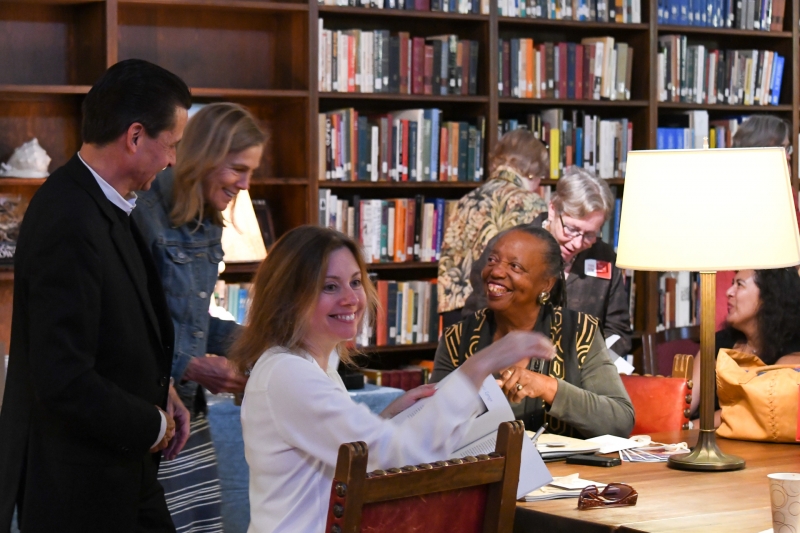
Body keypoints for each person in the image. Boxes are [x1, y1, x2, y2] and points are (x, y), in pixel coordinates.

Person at [230, 225, 553, 533]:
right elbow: (399, 456)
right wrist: (482, 364)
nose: (351, 299)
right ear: (289, 297)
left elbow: (338, 452)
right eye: (330, 286)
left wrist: (387, 417)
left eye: (355, 282)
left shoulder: (312, 365)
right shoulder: (289, 373)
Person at [0, 59, 192, 533]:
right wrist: (152, 425)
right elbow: (62, 376)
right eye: (171, 145)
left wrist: (159, 389)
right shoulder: (68, 216)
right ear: (134, 136)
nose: (172, 161)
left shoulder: (103, 203)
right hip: (81, 489)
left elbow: (111, 328)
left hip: (118, 475)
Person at [133, 102, 265, 531]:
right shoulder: (144, 212)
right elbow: (127, 326)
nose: (245, 185)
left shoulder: (209, 220)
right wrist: (187, 365)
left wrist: (269, 343)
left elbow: (193, 323)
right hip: (143, 412)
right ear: (206, 155)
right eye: (238, 169)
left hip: (188, 413)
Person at [432, 227, 634, 438]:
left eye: (515, 266)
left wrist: (547, 387)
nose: (496, 272)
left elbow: (620, 421)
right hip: (480, 468)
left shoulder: (579, 332)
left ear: (546, 284)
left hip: (563, 470)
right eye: (492, 260)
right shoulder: (458, 338)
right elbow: (430, 426)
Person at [464, 166, 631, 357]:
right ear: (553, 209)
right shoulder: (510, 246)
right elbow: (476, 320)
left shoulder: (603, 257)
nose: (577, 242)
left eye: (590, 234)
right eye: (571, 229)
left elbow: (619, 331)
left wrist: (591, 359)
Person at [438, 130, 548, 329]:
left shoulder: (467, 200)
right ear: (532, 171)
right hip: (494, 310)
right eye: (541, 175)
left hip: (454, 309)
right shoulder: (532, 205)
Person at [691, 268, 800, 427]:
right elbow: (686, 402)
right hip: (709, 444)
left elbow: (752, 411)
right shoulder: (717, 343)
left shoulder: (793, 350)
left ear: (768, 296)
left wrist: (694, 426)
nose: (728, 292)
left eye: (739, 285)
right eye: (732, 283)